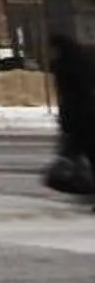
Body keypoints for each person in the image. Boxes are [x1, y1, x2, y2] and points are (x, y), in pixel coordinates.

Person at [53, 32, 95, 196]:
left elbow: (70, 98)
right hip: (82, 120)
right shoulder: (81, 63)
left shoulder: (66, 66)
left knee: (83, 156)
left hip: (80, 120)